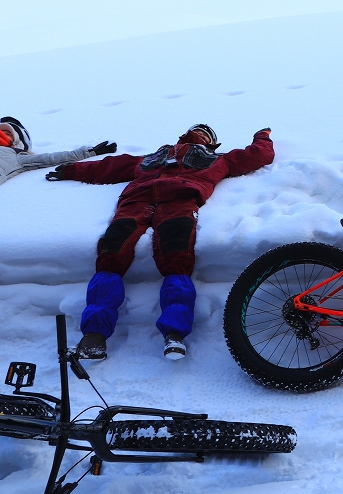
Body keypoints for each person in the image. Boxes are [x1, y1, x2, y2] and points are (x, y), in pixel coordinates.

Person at [45, 124, 274, 360]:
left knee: (176, 259)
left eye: (207, 134)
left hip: (181, 199)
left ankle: (174, 333)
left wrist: (262, 137)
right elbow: (111, 166)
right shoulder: (157, 156)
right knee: (111, 256)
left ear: (211, 143)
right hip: (136, 201)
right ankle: (94, 336)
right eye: (199, 131)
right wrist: (71, 171)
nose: (202, 135)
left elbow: (258, 155)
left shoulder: (217, 159)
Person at [1, 116, 115, 184]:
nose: (2, 135)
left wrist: (89, 152)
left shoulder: (18, 156)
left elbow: (51, 159)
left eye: (7, 134)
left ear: (18, 141)